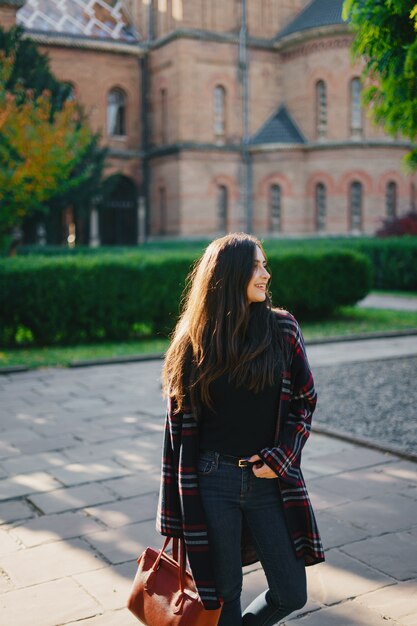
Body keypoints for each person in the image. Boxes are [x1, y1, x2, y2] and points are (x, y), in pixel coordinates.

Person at [157, 233, 324, 625]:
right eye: (256, 266)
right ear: (229, 274)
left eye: (265, 264)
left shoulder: (282, 329)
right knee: (224, 593)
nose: (266, 273)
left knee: (291, 591)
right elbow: (175, 432)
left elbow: (305, 400)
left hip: (268, 479)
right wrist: (174, 510)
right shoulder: (193, 342)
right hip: (212, 479)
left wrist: (282, 457)